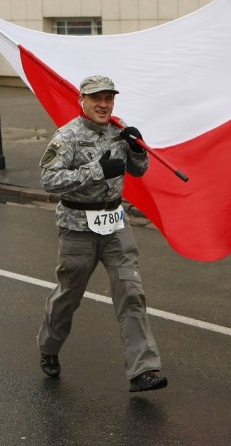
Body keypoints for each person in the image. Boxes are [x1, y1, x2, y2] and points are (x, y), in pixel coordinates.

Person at [36, 75, 167, 392]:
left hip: (115, 226)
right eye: (97, 98)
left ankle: (143, 370)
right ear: (82, 100)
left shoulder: (118, 134)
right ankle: (49, 347)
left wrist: (136, 149)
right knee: (69, 296)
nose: (104, 104)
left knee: (131, 292)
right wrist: (96, 170)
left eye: (109, 98)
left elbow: (139, 170)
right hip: (78, 229)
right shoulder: (67, 136)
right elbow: (48, 179)